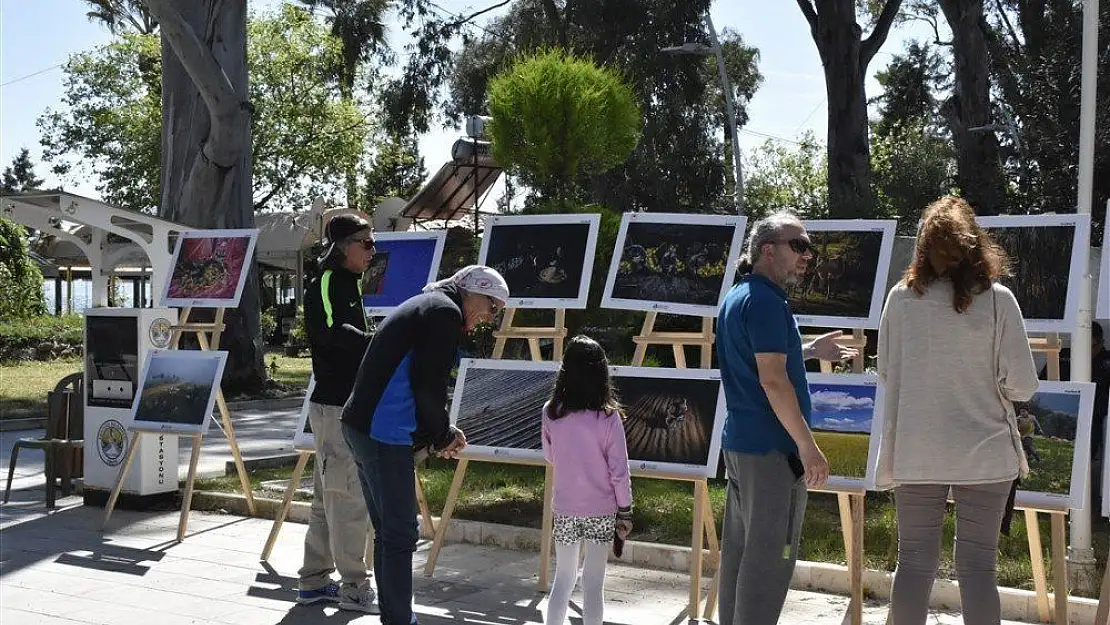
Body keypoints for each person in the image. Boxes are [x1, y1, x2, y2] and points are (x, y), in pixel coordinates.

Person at [876, 196, 1039, 624]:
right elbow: (1023, 384)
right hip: (986, 452)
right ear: (976, 247)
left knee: (912, 565)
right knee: (978, 570)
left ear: (923, 248)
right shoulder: (999, 300)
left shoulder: (900, 299)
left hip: (917, 449)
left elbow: (887, 369)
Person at [341, 264, 509, 625]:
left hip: (361, 424)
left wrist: (439, 431)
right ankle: (401, 620)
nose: (489, 317)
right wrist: (443, 434)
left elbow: (415, 379)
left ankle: (396, 617)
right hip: (382, 431)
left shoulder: (428, 303)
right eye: (491, 305)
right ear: (471, 291)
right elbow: (428, 384)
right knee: (401, 533)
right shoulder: (445, 313)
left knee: (389, 533)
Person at [714, 210, 857, 624]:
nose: (807, 255)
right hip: (773, 452)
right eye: (798, 245)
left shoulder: (740, 296)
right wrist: (808, 448)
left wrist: (809, 351)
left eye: (808, 247)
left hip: (742, 444)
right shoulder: (766, 303)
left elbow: (759, 357)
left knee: (741, 552)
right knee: (769, 558)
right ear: (767, 250)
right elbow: (774, 382)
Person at [297, 213, 378, 612]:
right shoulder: (328, 281)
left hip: (344, 403)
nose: (372, 251)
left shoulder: (350, 283)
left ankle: (314, 581)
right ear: (345, 245)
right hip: (334, 406)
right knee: (346, 498)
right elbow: (333, 333)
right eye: (367, 243)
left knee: (325, 497)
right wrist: (379, 344)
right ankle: (353, 586)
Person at [541, 335, 633, 625]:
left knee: (563, 579)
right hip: (600, 511)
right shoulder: (608, 418)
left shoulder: (550, 412)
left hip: (566, 508)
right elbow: (620, 470)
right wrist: (626, 509)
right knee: (594, 584)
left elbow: (550, 457)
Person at [1038, 320, 1110, 517]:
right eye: (1083, 346)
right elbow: (1043, 383)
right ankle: (1047, 496)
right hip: (1062, 415)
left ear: (1101, 343)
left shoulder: (1106, 362)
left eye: (1092, 347)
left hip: (1094, 420)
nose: (1087, 352)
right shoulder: (1063, 355)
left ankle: (1078, 504)